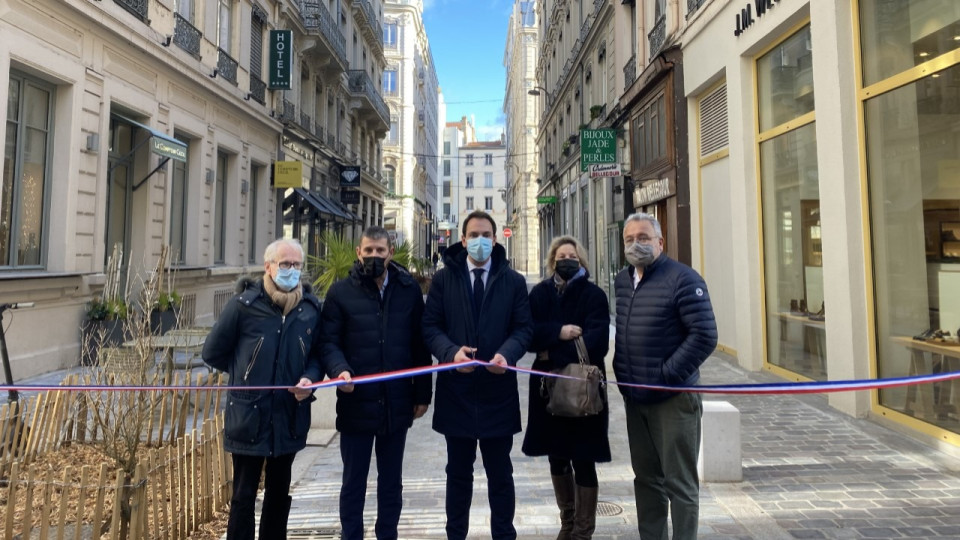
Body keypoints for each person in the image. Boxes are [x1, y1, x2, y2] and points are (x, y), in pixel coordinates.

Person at [422, 210, 533, 540]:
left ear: (495, 239)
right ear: (463, 239)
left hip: (497, 391)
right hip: (456, 392)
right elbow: (430, 326)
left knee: (501, 474)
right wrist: (450, 353)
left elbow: (524, 328)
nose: (479, 241)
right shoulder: (444, 279)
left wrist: (508, 354)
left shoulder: (512, 281)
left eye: (486, 234)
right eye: (473, 235)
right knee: (457, 474)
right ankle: (455, 534)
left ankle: (504, 535)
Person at [202, 238, 321, 540]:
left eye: (296, 265)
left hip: (289, 414)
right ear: (268, 267)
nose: (291, 270)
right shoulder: (245, 305)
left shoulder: (309, 309)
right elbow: (213, 351)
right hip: (248, 414)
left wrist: (309, 378)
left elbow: (317, 356)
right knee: (244, 493)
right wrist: (246, 372)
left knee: (279, 494)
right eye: (285, 264)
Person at [319, 226, 432, 540]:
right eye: (368, 251)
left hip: (397, 403)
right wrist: (340, 370)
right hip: (356, 402)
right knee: (353, 481)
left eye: (380, 251)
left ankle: (387, 535)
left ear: (389, 253)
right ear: (359, 252)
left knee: (391, 482)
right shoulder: (340, 292)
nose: (374, 257)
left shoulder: (408, 290)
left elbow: (419, 344)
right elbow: (328, 342)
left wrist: (422, 392)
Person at [613, 213, 718, 540]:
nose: (636, 244)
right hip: (636, 397)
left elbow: (704, 335)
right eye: (629, 239)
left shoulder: (683, 279)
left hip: (673, 399)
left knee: (680, 484)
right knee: (646, 480)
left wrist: (666, 375)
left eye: (643, 238)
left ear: (660, 242)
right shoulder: (622, 280)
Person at [522, 236, 610, 540]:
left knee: (583, 457)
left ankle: (583, 531)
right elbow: (528, 334)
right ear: (552, 259)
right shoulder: (540, 294)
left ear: (581, 259)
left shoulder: (594, 294)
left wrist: (554, 350)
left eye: (572, 255)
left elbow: (599, 341)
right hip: (547, 388)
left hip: (584, 387)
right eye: (561, 255)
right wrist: (558, 332)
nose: (567, 259)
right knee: (556, 456)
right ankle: (568, 522)